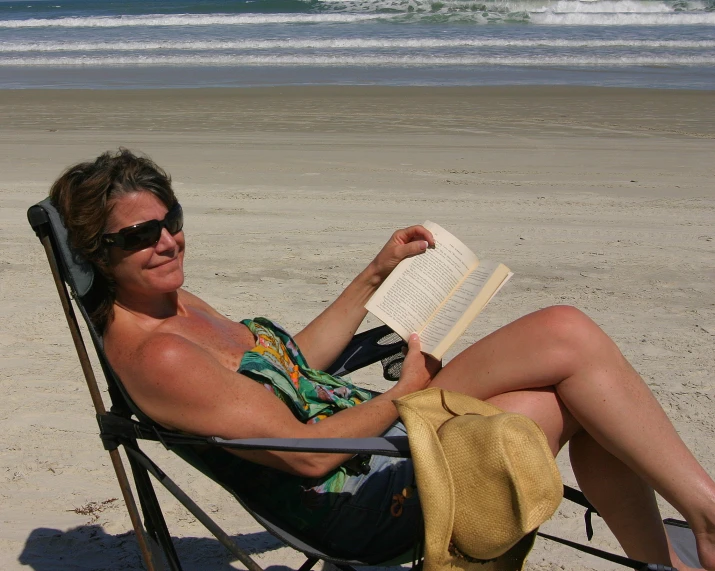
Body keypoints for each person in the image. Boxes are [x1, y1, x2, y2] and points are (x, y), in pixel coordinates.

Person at [50, 149, 715, 571]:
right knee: (564, 335)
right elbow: (306, 456)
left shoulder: (172, 302)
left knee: (578, 396)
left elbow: (293, 371)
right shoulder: (158, 351)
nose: (166, 241)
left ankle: (669, 559)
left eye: (171, 220)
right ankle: (705, 513)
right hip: (366, 496)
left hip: (379, 442)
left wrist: (376, 272)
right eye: (139, 234)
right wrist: (408, 392)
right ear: (96, 251)